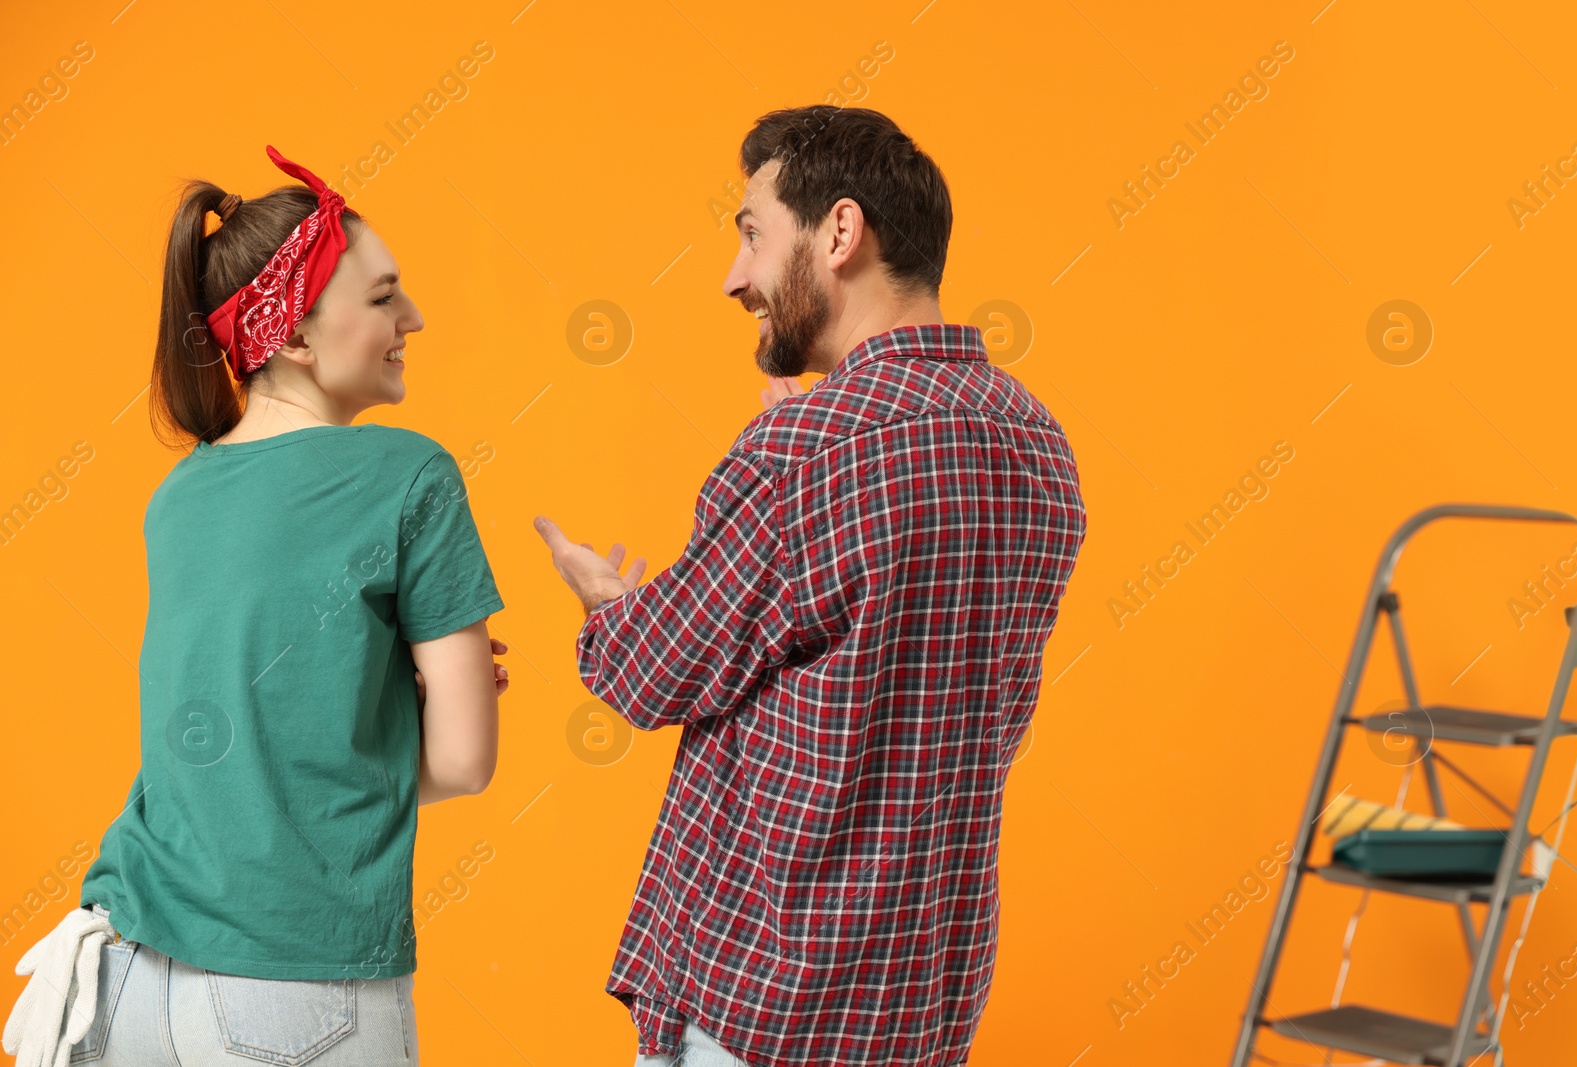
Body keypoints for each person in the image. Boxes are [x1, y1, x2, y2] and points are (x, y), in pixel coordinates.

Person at [534, 106, 1088, 1067]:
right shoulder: (1036, 442)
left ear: (839, 232)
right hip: (920, 1005)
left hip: (769, 1005)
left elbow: (650, 674)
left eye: (752, 233)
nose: (733, 276)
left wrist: (608, 604)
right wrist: (789, 481)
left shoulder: (809, 449)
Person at [3, 146, 507, 1067]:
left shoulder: (178, 499)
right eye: (384, 294)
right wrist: (414, 716)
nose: (414, 317)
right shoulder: (410, 474)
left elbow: (237, 743)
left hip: (122, 975)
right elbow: (465, 763)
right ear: (300, 336)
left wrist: (382, 696)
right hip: (296, 986)